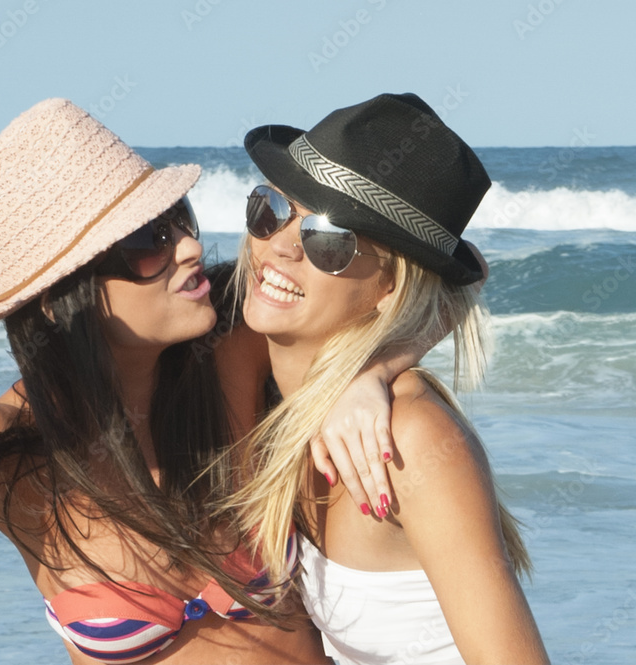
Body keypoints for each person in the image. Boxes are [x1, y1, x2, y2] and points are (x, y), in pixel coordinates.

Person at [0, 98, 410, 664]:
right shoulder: (19, 457)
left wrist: (369, 368)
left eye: (178, 217)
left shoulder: (235, 347)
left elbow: (415, 279)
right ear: (54, 299)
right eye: (148, 239)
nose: (185, 246)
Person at [227, 93, 550, 664]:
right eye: (272, 207)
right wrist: (379, 364)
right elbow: (463, 281)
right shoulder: (263, 385)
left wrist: (379, 367)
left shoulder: (409, 439)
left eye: (328, 239)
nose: (278, 246)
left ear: (388, 290)